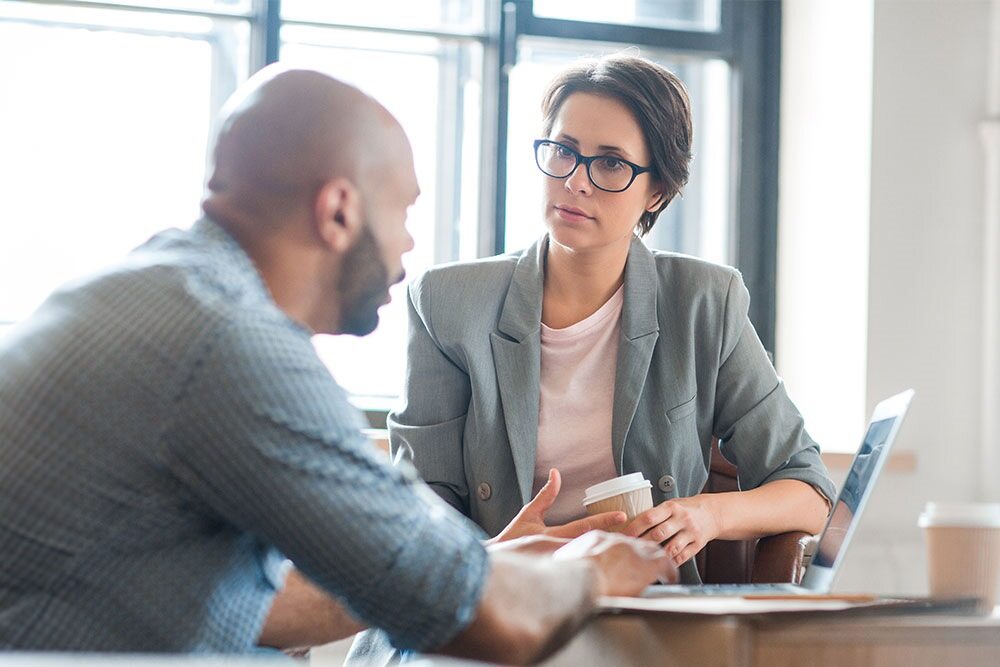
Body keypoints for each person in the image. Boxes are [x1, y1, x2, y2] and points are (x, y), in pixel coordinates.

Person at [0, 65, 676, 662]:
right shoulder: (235, 349)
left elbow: (270, 601)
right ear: (338, 211)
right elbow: (498, 626)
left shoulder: (157, 288)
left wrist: (485, 559)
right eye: (404, 211)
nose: (410, 244)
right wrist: (597, 568)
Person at [390, 54, 838, 584]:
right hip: (493, 607)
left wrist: (708, 515)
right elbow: (415, 516)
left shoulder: (704, 302)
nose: (576, 181)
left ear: (658, 191)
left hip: (645, 615)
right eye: (563, 151)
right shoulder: (447, 302)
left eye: (610, 164)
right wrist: (497, 553)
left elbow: (810, 492)